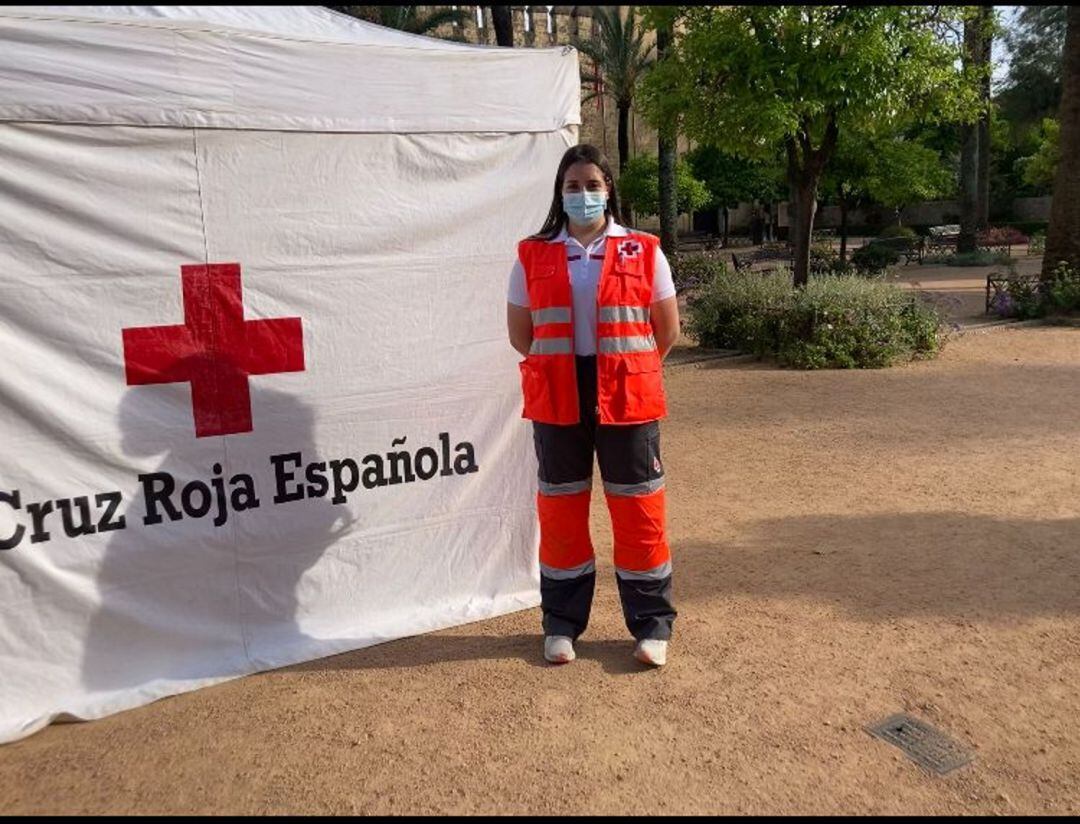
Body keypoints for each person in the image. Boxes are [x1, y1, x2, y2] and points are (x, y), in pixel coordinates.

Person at [506, 144, 679, 668]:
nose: (583, 194)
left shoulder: (644, 249)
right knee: (560, 513)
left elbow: (665, 330)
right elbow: (521, 335)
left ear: (609, 190)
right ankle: (561, 624)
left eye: (592, 185)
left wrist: (623, 367)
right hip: (559, 397)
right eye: (572, 185)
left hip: (627, 396)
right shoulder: (533, 254)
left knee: (639, 510)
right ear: (560, 193)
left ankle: (651, 626)